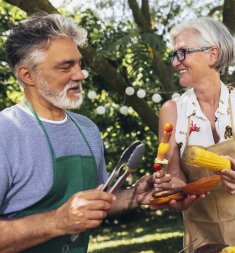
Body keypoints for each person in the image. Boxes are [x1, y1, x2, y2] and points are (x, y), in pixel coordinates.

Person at [0, 13, 160, 253]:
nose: (79, 75)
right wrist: (58, 222)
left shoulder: (87, 129)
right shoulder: (6, 131)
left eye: (79, 64)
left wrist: (132, 196)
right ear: (27, 75)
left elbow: (97, 200)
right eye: (66, 66)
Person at [155, 17, 235, 252]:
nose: (176, 63)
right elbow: (176, 178)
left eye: (182, 52)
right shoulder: (172, 111)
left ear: (212, 54)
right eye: (174, 55)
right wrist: (166, 187)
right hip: (207, 236)